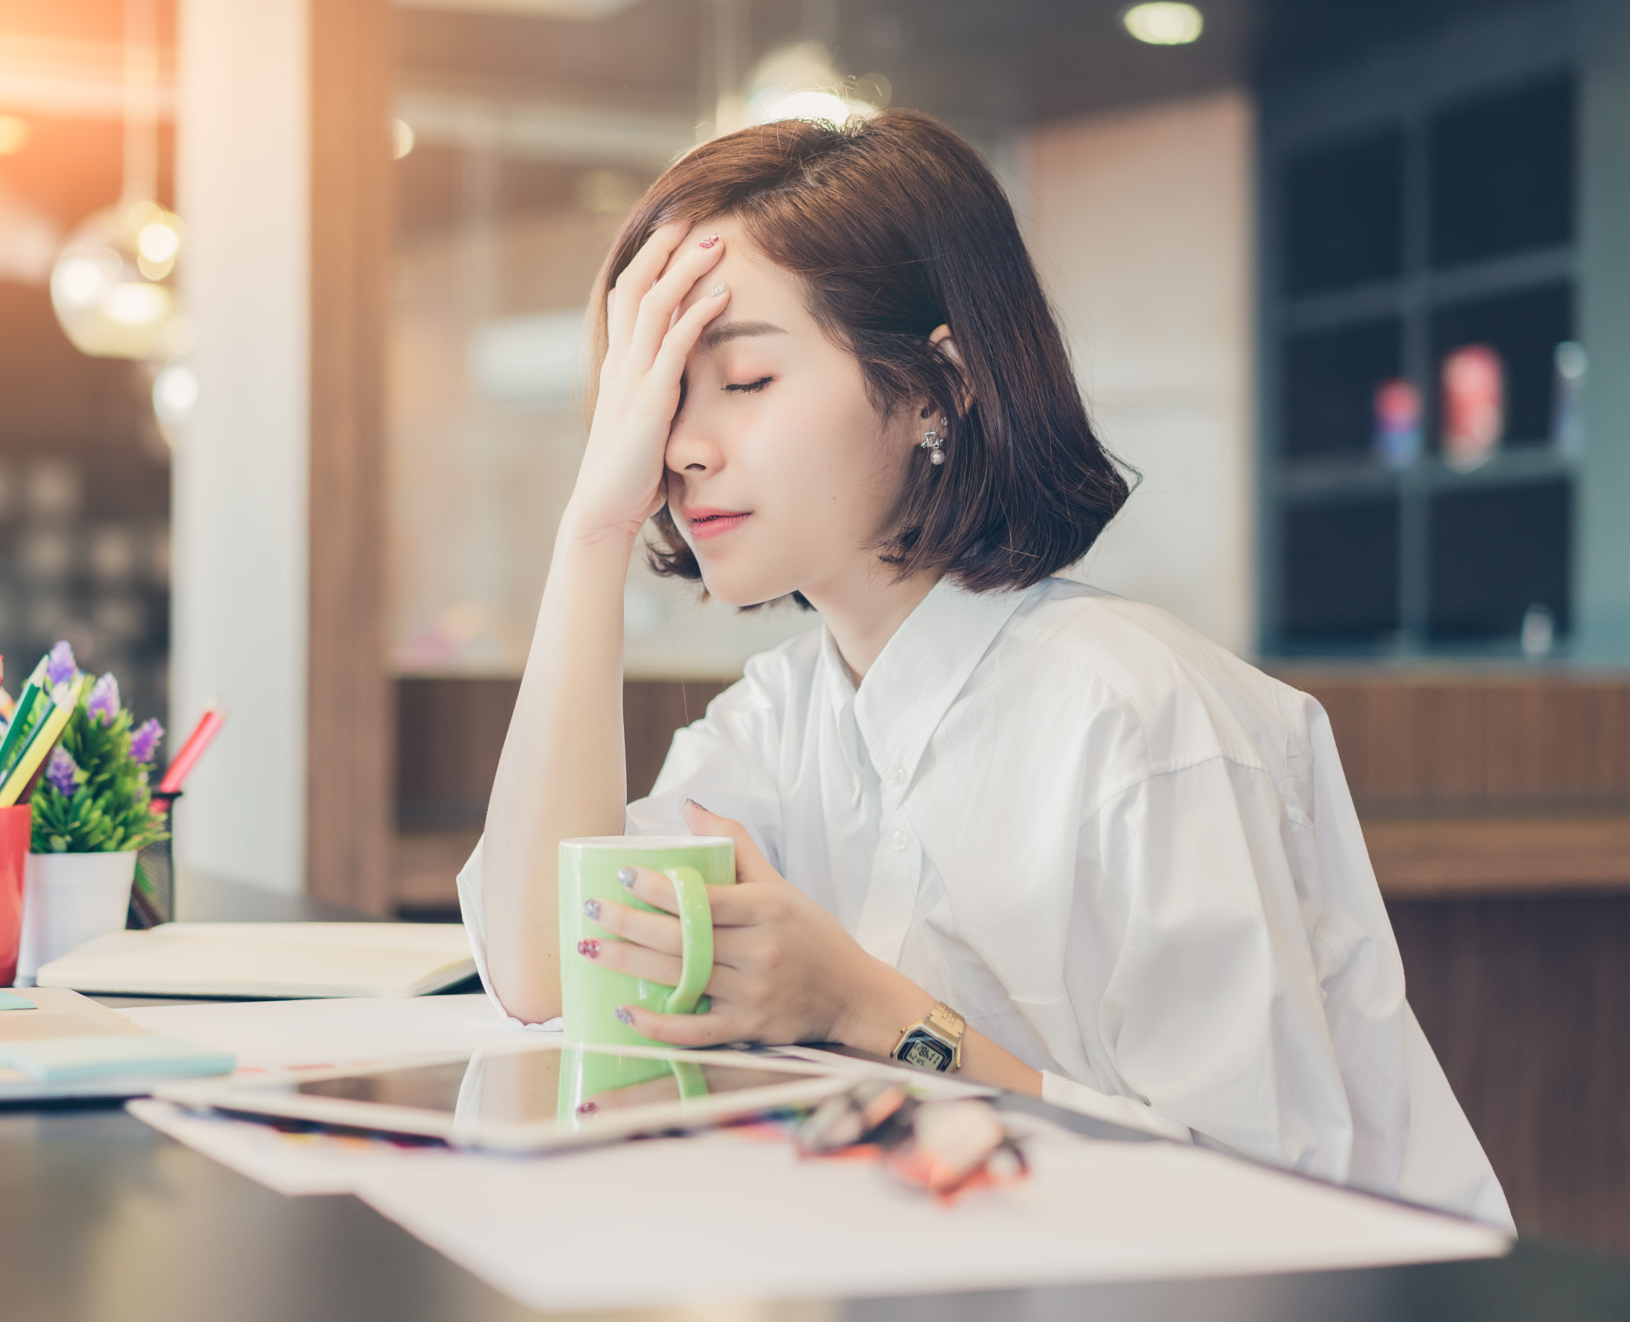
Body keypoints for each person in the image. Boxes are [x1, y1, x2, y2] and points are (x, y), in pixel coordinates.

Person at [455, 110, 1510, 1228]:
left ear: (933, 390)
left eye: (745, 379)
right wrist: (591, 531)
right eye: (659, 394)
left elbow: (1271, 1202)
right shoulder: (779, 719)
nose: (679, 445)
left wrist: (874, 1012)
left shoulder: (1140, 721)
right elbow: (541, 969)